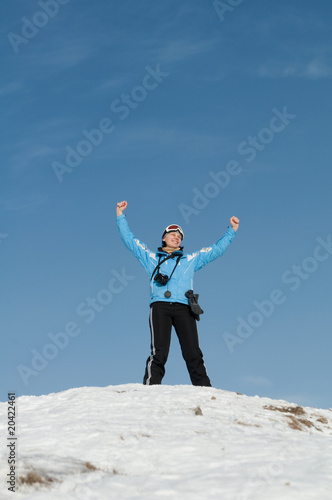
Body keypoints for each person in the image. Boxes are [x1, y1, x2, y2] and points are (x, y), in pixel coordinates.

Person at [116, 200, 239, 387]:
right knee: (159, 352)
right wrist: (120, 215)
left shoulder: (190, 260)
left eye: (179, 236)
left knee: (193, 352)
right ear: (164, 238)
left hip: (184, 308)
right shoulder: (151, 259)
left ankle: (204, 389)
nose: (176, 237)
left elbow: (216, 251)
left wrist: (231, 230)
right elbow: (130, 241)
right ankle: (150, 388)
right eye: (172, 234)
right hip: (160, 307)